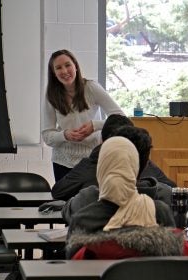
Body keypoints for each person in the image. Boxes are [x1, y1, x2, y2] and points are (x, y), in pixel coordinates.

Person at [66, 137, 188, 259]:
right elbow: (175, 259)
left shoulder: (82, 219)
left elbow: (73, 267)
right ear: (136, 168)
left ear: (100, 169)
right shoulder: (160, 212)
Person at [62, 125, 175, 225]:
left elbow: (64, 204)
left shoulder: (87, 198)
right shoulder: (164, 198)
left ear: (106, 158)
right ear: (146, 164)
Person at [42, 49, 124, 182]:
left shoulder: (91, 87)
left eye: (67, 65)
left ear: (76, 66)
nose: (64, 71)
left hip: (92, 160)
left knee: (91, 201)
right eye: (58, 68)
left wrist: (95, 125)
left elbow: (121, 118)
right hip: (62, 162)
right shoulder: (50, 94)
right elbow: (47, 136)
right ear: (54, 73)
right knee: (66, 203)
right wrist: (65, 135)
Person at [51, 114, 176, 201]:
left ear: (102, 140)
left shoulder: (90, 166)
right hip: (144, 233)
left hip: (96, 235)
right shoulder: (144, 163)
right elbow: (173, 190)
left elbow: (59, 192)